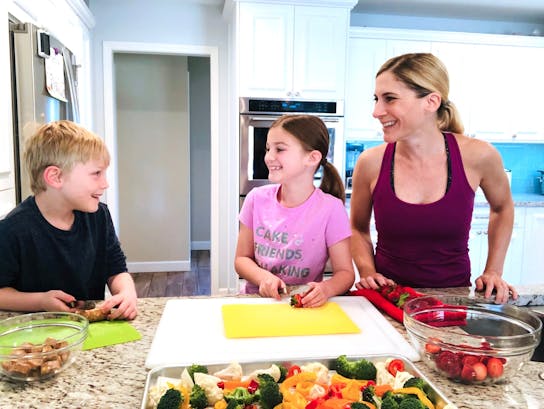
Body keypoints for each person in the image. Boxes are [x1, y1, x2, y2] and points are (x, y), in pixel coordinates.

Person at [350, 52, 517, 304]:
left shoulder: (479, 155)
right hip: (387, 299)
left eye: (390, 98)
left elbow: (503, 208)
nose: (376, 111)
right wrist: (367, 272)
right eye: (376, 99)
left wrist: (494, 271)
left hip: (452, 301)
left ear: (431, 101)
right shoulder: (370, 162)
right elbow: (357, 228)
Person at [0, 120, 138, 319]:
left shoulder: (99, 216)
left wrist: (127, 293)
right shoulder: (12, 230)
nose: (105, 183)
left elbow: (116, 268)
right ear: (55, 177)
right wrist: (40, 301)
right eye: (96, 173)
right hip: (39, 330)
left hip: (89, 327)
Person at [235, 114, 355, 308]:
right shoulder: (255, 199)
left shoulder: (332, 209)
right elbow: (242, 259)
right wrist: (264, 278)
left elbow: (345, 273)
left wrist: (326, 289)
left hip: (303, 305)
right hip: (258, 302)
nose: (268, 157)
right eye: (268, 148)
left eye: (280, 149)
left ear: (312, 157)